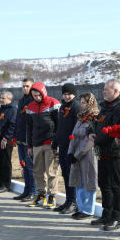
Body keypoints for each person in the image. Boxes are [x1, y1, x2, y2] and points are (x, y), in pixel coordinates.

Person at [89, 80, 120, 231]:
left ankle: (116, 218)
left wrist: (96, 140)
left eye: (106, 90)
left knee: (116, 185)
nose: (103, 92)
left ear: (116, 91)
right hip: (103, 152)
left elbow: (114, 132)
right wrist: (91, 133)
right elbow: (99, 125)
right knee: (104, 184)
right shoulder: (105, 107)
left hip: (114, 152)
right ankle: (106, 214)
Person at [26, 82, 61, 209]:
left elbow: (59, 125)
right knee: (38, 171)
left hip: (50, 144)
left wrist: (56, 142)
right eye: (34, 95)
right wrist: (29, 146)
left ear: (43, 92)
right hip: (36, 144)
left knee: (51, 171)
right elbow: (29, 128)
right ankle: (41, 195)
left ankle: (52, 196)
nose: (36, 98)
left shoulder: (53, 103)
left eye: (38, 95)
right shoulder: (30, 107)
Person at [68, 92, 99, 220]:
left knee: (89, 181)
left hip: (88, 155)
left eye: (84, 102)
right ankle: (81, 208)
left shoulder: (94, 118)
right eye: (80, 102)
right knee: (78, 181)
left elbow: (90, 141)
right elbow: (73, 136)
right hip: (76, 155)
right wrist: (70, 152)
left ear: (90, 103)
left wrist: (78, 154)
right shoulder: (80, 118)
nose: (82, 105)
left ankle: (88, 210)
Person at [52, 83, 80, 214]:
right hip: (62, 145)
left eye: (69, 94)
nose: (67, 96)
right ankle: (68, 200)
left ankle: (73, 202)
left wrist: (73, 146)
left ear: (74, 94)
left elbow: (76, 128)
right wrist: (55, 142)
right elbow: (60, 127)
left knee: (71, 174)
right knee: (65, 174)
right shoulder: (62, 107)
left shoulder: (76, 107)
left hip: (71, 146)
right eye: (65, 94)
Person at [13, 78, 36, 202]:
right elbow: (18, 119)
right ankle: (26, 191)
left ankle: (33, 192)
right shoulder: (22, 100)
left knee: (31, 167)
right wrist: (15, 136)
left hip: (29, 141)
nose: (25, 88)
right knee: (24, 166)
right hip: (21, 139)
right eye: (23, 86)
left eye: (27, 86)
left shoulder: (34, 100)